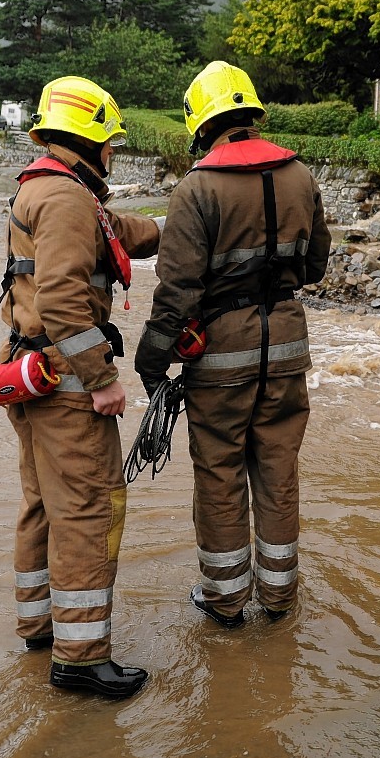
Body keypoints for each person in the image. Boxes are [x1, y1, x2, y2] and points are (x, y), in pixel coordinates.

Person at [134, 61, 330, 629]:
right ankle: (279, 599)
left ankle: (224, 602)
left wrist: (151, 360)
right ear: (250, 113)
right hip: (288, 351)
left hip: (219, 361)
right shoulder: (300, 175)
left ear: (203, 124)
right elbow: (314, 266)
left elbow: (177, 290)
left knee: (220, 476)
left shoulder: (197, 187)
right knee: (278, 471)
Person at [0, 75, 160, 700]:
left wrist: (181, 223)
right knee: (88, 510)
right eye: (110, 142)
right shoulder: (67, 200)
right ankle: (83, 657)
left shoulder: (50, 189)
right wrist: (103, 380)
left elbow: (118, 230)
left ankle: (40, 624)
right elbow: (65, 297)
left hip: (33, 377)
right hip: (68, 384)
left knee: (42, 504)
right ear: (91, 141)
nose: (114, 153)